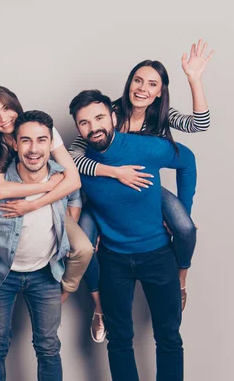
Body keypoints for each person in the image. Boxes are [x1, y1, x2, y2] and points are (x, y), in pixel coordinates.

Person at [68, 40, 212, 342]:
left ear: (160, 91)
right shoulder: (109, 114)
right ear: (129, 83)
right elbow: (74, 156)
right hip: (102, 192)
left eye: (152, 84)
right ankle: (99, 308)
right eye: (137, 80)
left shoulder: (161, 115)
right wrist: (114, 172)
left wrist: (194, 80)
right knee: (82, 247)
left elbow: (200, 126)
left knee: (185, 227)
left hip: (143, 191)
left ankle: (180, 282)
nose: (142, 88)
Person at [68, 89, 196, 381]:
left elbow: (187, 161)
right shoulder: (77, 160)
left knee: (169, 337)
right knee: (120, 339)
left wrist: (183, 213)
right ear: (78, 128)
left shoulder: (146, 146)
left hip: (158, 255)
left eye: (99, 117)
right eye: (84, 122)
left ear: (114, 116)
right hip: (113, 259)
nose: (93, 127)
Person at [0, 84, 93, 377]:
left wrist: (35, 204)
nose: (3, 118)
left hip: (44, 272)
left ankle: (64, 288)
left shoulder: (44, 134)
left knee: (48, 345)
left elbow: (73, 183)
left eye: (6, 109)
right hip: (2, 260)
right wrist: (45, 187)